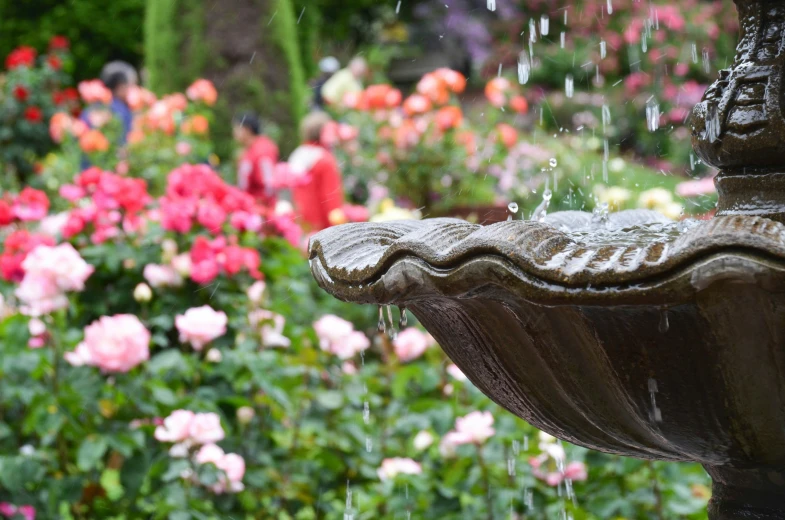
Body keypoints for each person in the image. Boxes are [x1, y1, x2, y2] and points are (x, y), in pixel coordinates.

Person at [285, 112, 344, 231]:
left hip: (300, 225)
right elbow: (331, 200)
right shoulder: (325, 160)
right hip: (322, 228)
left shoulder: (297, 154)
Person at [234, 112, 279, 205]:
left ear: (247, 129)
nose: (234, 132)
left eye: (237, 128)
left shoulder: (262, 150)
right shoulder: (249, 149)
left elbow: (268, 185)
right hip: (251, 206)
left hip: (260, 209)